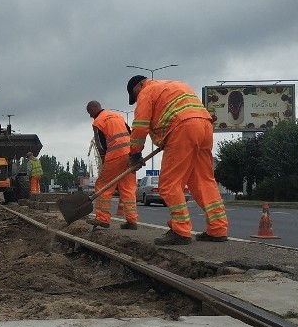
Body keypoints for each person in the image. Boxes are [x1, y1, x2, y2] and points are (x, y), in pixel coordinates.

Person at [126, 74, 228, 245]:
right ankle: (218, 229)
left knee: (169, 184)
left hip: (182, 129)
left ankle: (180, 230)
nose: (136, 99)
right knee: (204, 181)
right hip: (204, 127)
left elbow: (140, 126)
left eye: (134, 95)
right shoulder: (178, 85)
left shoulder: (146, 92)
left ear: (138, 86)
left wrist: (135, 153)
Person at [85, 101, 138, 230]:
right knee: (128, 188)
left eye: (89, 112)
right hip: (130, 154)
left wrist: (104, 162)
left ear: (93, 109)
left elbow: (101, 146)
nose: (90, 116)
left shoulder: (98, 122)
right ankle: (132, 221)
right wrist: (135, 153)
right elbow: (130, 133)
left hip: (115, 155)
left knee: (102, 185)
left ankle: (102, 219)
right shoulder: (117, 116)